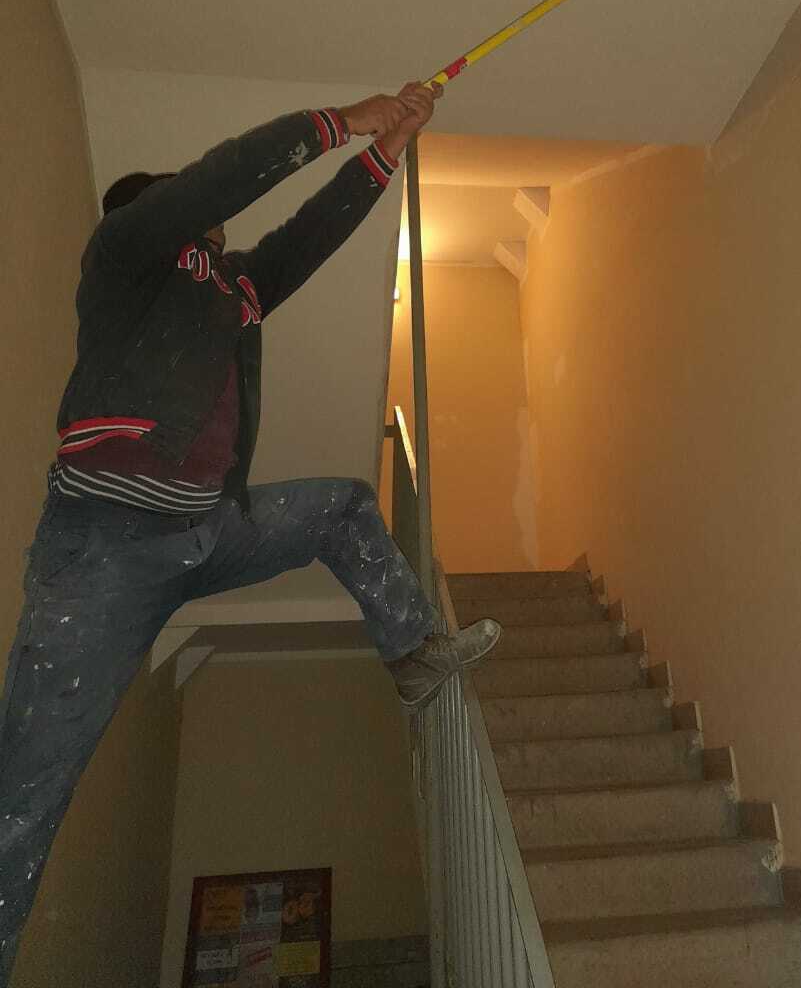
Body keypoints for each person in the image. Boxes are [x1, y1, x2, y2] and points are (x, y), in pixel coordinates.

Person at [0, 82, 500, 983]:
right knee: (25, 798)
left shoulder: (231, 292)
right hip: (105, 547)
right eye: (193, 217)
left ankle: (414, 654)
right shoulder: (124, 255)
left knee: (342, 505)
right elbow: (215, 182)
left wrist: (385, 154)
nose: (216, 229)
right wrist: (342, 123)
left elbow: (305, 239)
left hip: (207, 530)